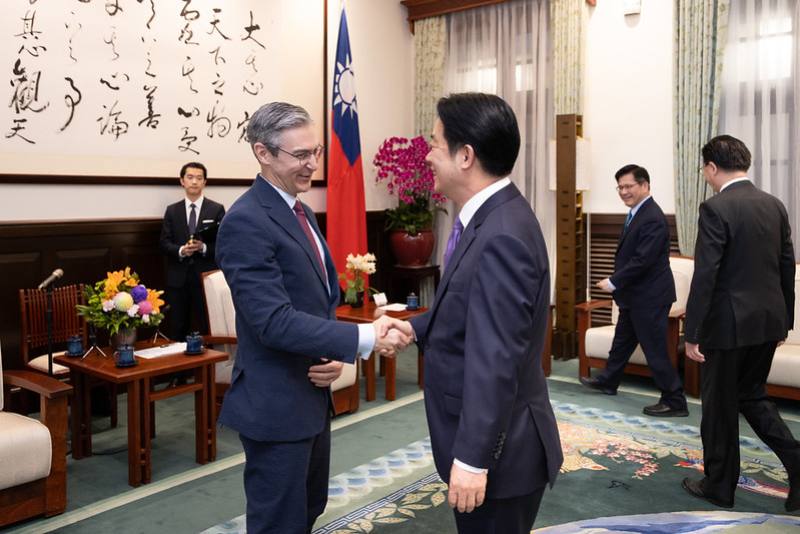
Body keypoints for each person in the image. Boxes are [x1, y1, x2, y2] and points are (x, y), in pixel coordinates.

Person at [215, 101, 409, 534]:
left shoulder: (298, 210)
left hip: (310, 393)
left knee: (308, 508)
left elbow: (317, 303)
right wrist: (361, 339)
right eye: (300, 155)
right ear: (263, 153)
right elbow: (273, 321)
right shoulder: (246, 221)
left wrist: (332, 353)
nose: (312, 165)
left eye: (316, 152)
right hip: (275, 402)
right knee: (278, 522)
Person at [381, 93, 563, 534]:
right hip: (502, 445)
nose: (426, 155)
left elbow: (496, 357)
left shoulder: (501, 234)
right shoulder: (490, 219)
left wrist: (473, 459)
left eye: (435, 143)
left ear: (466, 156)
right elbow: (473, 308)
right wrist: (415, 325)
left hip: (502, 455)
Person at [682, 134, 799, 511]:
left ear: (713, 167)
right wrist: (785, 321)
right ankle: (797, 462)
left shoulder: (716, 208)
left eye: (705, 169)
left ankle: (719, 486)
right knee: (752, 396)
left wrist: (692, 332)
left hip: (729, 327)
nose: (705, 175)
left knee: (718, 408)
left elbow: (706, 276)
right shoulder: (774, 205)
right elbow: (786, 266)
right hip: (767, 322)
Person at [579, 164, 689, 417]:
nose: (624, 192)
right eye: (620, 187)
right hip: (635, 295)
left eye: (629, 186)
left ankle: (675, 400)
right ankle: (608, 380)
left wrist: (614, 281)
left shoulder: (652, 217)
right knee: (622, 341)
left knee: (655, 349)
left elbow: (643, 260)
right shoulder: (637, 213)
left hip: (649, 297)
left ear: (645, 186)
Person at [159, 162, 225, 342]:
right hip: (178, 279)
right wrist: (181, 250)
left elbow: (223, 244)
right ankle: (180, 370)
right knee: (177, 326)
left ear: (205, 182)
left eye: (199, 178)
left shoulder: (216, 209)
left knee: (207, 326)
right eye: (190, 177)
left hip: (205, 277)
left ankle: (207, 369)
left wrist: (202, 248)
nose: (194, 182)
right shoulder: (172, 211)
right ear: (182, 181)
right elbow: (164, 243)